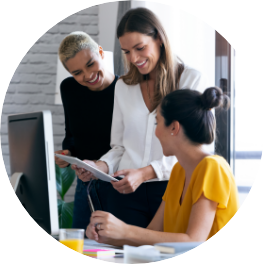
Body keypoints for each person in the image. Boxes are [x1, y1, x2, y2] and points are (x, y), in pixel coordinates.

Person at [73, 7, 207, 228]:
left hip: (172, 189)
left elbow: (195, 150)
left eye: (140, 48)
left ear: (160, 40)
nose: (134, 58)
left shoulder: (190, 80)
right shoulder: (124, 86)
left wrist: (146, 173)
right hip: (125, 195)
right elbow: (119, 147)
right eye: (126, 51)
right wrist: (98, 167)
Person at [86, 87, 240, 246]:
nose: (156, 132)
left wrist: (125, 230)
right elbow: (154, 232)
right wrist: (108, 236)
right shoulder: (178, 171)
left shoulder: (213, 167)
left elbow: (194, 241)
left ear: (174, 127)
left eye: (157, 122)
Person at [55, 31, 118, 230]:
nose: (88, 76)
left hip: (118, 183)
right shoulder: (69, 88)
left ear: (100, 52)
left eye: (90, 64)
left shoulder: (125, 89)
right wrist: (67, 154)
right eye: (77, 73)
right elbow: (71, 135)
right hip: (86, 186)